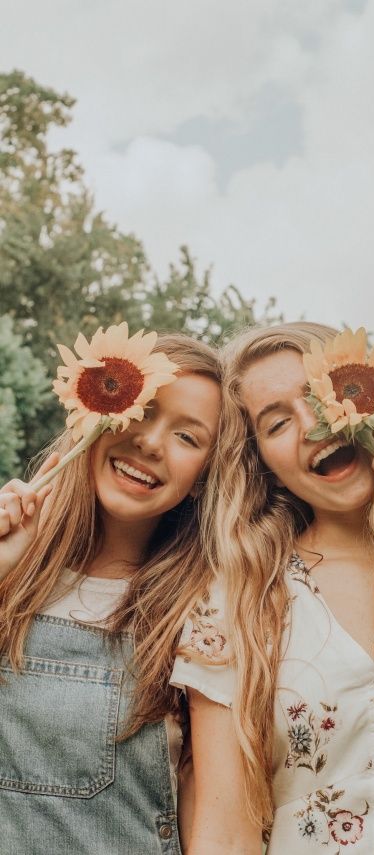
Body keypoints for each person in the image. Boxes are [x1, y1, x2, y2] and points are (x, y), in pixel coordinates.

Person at [171, 322, 374, 855]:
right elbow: (224, 829)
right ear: (263, 466)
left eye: (324, 396)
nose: (313, 425)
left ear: (373, 401)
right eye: (276, 423)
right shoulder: (233, 601)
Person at [0, 332, 221, 855]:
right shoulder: (11, 568)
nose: (149, 442)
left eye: (187, 437)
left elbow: (214, 818)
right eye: (142, 411)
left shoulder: (200, 610)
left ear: (201, 479)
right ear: (94, 412)